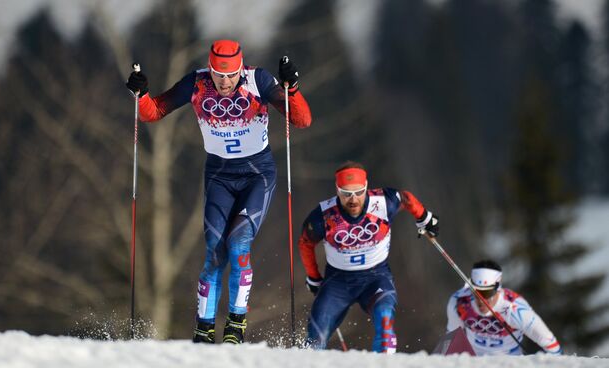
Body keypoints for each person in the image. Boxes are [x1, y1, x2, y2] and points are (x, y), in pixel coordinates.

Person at [125, 40, 312, 344]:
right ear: (210, 70)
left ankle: (235, 325)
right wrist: (141, 94)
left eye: (231, 75)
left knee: (238, 244)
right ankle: (204, 328)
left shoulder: (258, 80)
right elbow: (153, 112)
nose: (225, 82)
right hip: (219, 176)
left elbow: (302, 120)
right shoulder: (197, 83)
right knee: (214, 251)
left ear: (241, 69)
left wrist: (292, 89)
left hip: (256, 175)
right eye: (218, 75)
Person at [297, 161, 440, 353]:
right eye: (346, 193)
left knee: (385, 321)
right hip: (338, 282)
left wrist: (424, 217)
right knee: (314, 339)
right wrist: (313, 276)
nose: (353, 199)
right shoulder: (324, 215)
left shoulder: (383, 201)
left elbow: (405, 198)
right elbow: (305, 243)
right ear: (337, 190)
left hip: (375, 278)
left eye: (359, 192)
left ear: (366, 187)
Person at [446, 259, 562, 355]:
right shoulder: (459, 302)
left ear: (497, 288)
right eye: (476, 292)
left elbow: (549, 342)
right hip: (474, 360)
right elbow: (451, 341)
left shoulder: (515, 309)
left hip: (509, 362)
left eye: (486, 293)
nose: (481, 300)